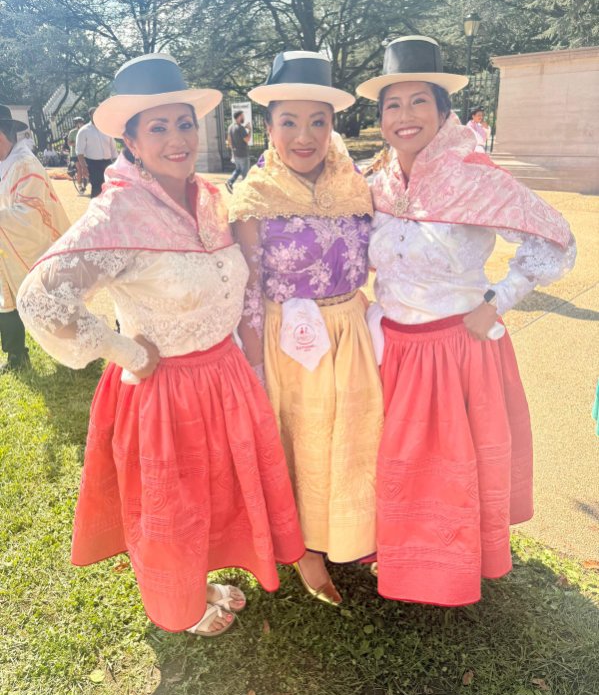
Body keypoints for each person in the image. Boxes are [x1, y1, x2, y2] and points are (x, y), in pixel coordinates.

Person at [17, 54, 304, 636]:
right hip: (164, 390)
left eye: (183, 124)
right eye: (158, 127)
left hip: (223, 377)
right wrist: (125, 351)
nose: (176, 139)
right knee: (172, 510)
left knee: (214, 494)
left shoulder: (210, 198)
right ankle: (184, 604)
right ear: (129, 140)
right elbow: (39, 296)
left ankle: (205, 576)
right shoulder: (117, 211)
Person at [356, 36, 577, 607]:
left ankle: (451, 569)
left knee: (449, 469)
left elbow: (553, 239)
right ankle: (397, 558)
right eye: (392, 106)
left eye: (417, 102)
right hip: (391, 350)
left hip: (456, 350)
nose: (404, 117)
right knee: (398, 465)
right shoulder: (375, 182)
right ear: (380, 117)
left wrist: (497, 301)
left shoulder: (474, 176)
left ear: (442, 109)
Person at [228, 51, 382, 606]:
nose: (304, 136)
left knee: (356, 439)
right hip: (286, 339)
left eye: (317, 121)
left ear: (332, 124)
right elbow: (247, 286)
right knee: (301, 443)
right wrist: (253, 362)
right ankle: (306, 552)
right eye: (289, 121)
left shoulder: (357, 184)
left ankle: (355, 536)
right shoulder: (254, 198)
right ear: (267, 127)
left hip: (352, 331)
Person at [0, 104, 70, 373]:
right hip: (8, 246)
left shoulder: (25, 164)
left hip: (35, 246)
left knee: (49, 300)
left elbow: (31, 214)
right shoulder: (5, 163)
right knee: (6, 298)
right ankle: (16, 355)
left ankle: (77, 354)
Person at [76, 107, 118, 197]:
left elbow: (113, 147)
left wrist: (116, 162)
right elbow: (79, 152)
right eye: (94, 114)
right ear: (90, 116)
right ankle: (96, 209)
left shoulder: (106, 129)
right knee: (97, 188)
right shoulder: (84, 131)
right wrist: (84, 167)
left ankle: (108, 209)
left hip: (107, 163)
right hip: (93, 164)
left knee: (109, 187)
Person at [225, 110, 251, 193]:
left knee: (238, 169)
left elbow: (229, 140)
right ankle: (245, 191)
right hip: (243, 153)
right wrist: (249, 130)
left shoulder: (230, 127)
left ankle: (229, 181)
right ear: (239, 117)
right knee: (245, 173)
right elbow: (247, 140)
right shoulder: (240, 128)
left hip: (235, 153)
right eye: (243, 116)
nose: (244, 117)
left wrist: (233, 150)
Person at [67, 117, 87, 189]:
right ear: (76, 124)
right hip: (75, 154)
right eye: (79, 122)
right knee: (79, 169)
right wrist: (78, 143)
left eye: (82, 122)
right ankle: (79, 185)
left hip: (85, 153)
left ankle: (85, 182)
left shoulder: (85, 131)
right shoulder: (72, 132)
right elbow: (69, 143)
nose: (81, 124)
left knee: (85, 168)